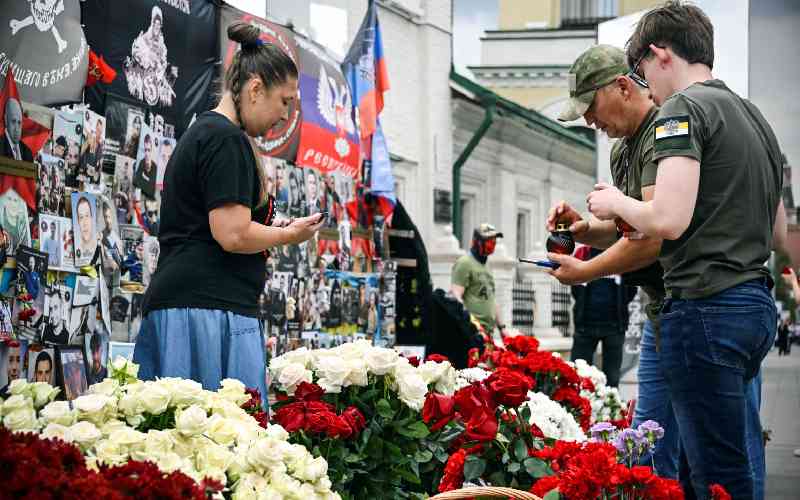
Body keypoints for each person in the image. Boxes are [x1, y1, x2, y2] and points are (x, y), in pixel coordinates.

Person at [585, 3, 785, 498]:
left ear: (659, 54)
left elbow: (667, 220)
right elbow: (779, 231)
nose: (645, 85)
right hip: (754, 303)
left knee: (710, 475)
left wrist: (614, 202)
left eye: (642, 71)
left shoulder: (681, 110)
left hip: (703, 306)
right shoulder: (752, 115)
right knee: (736, 458)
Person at [134, 22, 322, 401]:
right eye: (285, 101)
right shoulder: (225, 139)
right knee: (220, 443)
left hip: (195, 306)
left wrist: (271, 229)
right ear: (255, 89)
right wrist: (288, 235)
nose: (287, 116)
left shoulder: (210, 134)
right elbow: (232, 234)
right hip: (204, 313)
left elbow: (225, 226)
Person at [549, 43, 678, 476]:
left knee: (696, 449)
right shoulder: (623, 148)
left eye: (590, 107)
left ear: (622, 87)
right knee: (649, 443)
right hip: (661, 308)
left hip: (693, 305)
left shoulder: (666, 132)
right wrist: (585, 230)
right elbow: (628, 227)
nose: (589, 121)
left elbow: (651, 238)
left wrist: (584, 270)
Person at [450, 223, 508, 339]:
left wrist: (502, 328)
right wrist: (474, 325)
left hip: (488, 332)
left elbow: (491, 298)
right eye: (489, 241)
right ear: (477, 242)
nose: (492, 244)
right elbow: (456, 297)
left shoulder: (486, 264)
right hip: (471, 333)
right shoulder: (464, 263)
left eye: (494, 241)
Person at [1, 98, 33, 162]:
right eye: (13, 121)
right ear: (6, 120)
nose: (16, 129)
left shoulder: (27, 152)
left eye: (19, 123)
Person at [134, 134, 158, 199]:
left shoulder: (155, 168)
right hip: (140, 200)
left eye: (149, 150)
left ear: (152, 150)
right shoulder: (141, 163)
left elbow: (151, 189)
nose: (146, 153)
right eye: (145, 150)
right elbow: (137, 183)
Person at [75, 195, 96, 264]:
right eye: (81, 217)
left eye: (87, 216)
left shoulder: (99, 248)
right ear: (78, 222)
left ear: (92, 218)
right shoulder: (76, 249)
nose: (85, 223)